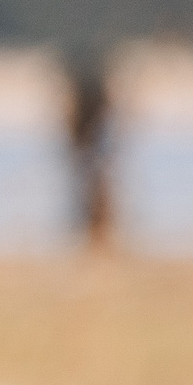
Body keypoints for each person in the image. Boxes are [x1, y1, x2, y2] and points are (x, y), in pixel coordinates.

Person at [63, 44, 116, 252]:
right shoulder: (95, 98)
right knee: (91, 190)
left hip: (89, 149)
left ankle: (96, 235)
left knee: (89, 190)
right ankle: (95, 235)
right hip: (93, 149)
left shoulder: (83, 99)